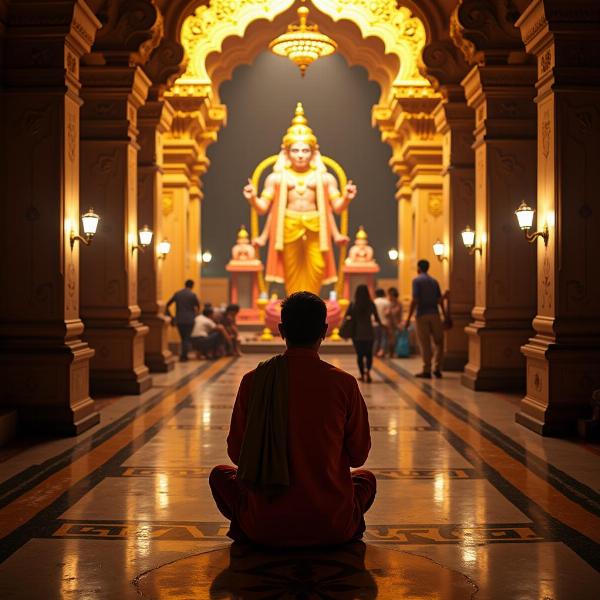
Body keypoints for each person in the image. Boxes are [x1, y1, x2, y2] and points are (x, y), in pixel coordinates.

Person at [209, 291, 375, 547]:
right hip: (332, 524)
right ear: (325, 330)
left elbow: (236, 454)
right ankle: (340, 522)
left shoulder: (255, 380)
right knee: (365, 480)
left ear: (281, 330)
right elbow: (358, 456)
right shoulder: (344, 384)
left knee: (221, 475)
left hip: (263, 526)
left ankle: (255, 521)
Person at [243, 102, 356, 295]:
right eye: (295, 150)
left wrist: (347, 197)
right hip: (288, 226)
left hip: (316, 227)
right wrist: (252, 198)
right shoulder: (277, 178)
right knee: (291, 269)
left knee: (317, 266)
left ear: (313, 152)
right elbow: (263, 209)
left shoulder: (325, 178)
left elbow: (336, 208)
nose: (301, 155)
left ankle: (312, 302)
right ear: (286, 152)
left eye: (305, 151)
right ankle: (295, 303)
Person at [404, 259, 447, 378]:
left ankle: (427, 370)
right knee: (439, 342)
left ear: (418, 268)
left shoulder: (417, 281)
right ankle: (437, 368)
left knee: (425, 343)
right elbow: (440, 301)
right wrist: (445, 315)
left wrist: (408, 318)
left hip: (422, 315)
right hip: (435, 314)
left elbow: (415, 300)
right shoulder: (434, 281)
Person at [345, 285, 381, 382]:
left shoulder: (353, 304)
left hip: (357, 333)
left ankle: (362, 374)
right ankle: (368, 372)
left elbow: (347, 316)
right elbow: (377, 318)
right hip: (369, 332)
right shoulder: (370, 304)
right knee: (369, 354)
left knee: (360, 355)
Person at [166, 279, 200, 362]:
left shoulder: (178, 294)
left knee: (183, 338)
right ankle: (184, 356)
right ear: (192, 286)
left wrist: (171, 317)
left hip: (179, 319)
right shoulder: (192, 295)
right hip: (189, 320)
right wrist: (194, 315)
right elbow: (198, 307)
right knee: (186, 338)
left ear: (185, 284)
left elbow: (167, 305)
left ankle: (183, 355)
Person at [386, 287, 403, 357]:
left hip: (397, 324)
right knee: (390, 339)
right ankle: (391, 353)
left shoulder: (398, 303)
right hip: (390, 324)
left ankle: (395, 353)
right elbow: (386, 313)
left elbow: (395, 312)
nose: (389, 297)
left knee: (395, 339)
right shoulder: (389, 303)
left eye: (390, 295)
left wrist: (390, 311)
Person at [372, 288, 389, 358]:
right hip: (384, 322)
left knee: (376, 338)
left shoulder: (374, 302)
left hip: (375, 323)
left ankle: (375, 351)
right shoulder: (386, 302)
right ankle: (381, 351)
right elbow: (387, 313)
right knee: (384, 337)